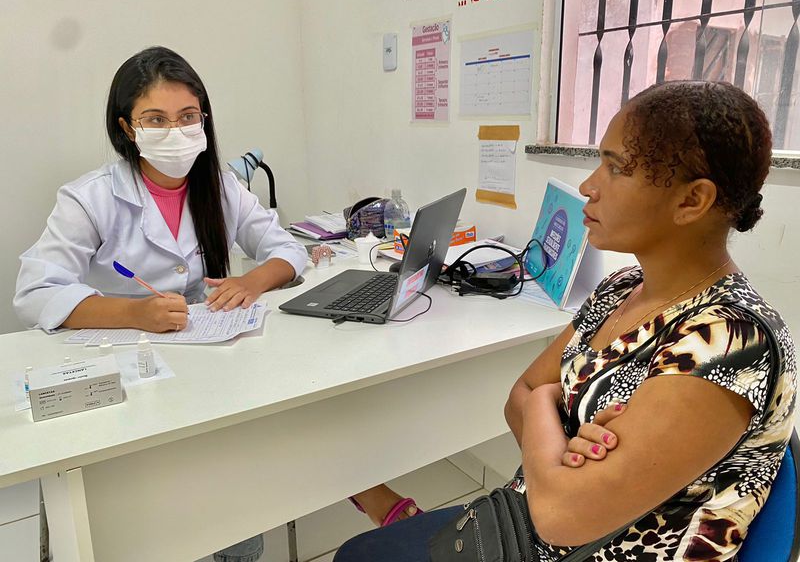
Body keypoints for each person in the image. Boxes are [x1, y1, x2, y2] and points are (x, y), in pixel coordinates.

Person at [333, 81, 797, 561]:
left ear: (692, 201)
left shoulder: (730, 341)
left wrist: (546, 407)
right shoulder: (622, 288)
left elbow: (560, 515)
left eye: (616, 168)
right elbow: (518, 396)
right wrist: (558, 443)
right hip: (520, 526)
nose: (589, 186)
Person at [13, 46, 308, 562]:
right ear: (127, 128)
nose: (175, 131)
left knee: (227, 498)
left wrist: (254, 281)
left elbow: (287, 249)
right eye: (156, 119)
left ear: (204, 119)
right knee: (129, 516)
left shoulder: (220, 186)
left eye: (187, 116)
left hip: (203, 363)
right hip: (119, 364)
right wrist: (132, 313)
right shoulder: (89, 198)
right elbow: (36, 291)